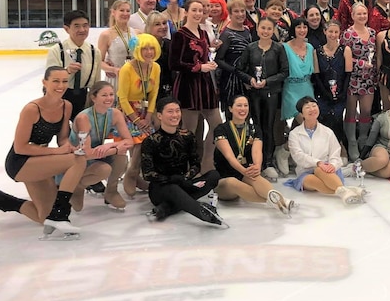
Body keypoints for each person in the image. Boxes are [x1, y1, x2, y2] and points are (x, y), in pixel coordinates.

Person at [0, 67, 86, 234]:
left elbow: (62, 138)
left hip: (41, 161)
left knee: (43, 218)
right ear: (45, 82)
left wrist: (70, 147)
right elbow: (21, 147)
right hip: (20, 162)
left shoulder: (66, 106)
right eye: (55, 81)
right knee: (78, 161)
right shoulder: (32, 109)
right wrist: (57, 152)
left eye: (64, 81)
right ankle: (60, 213)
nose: (61, 85)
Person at [140, 97, 225, 227]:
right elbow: (148, 174)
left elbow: (196, 164)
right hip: (161, 188)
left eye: (177, 111)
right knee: (173, 188)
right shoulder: (151, 141)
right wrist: (173, 179)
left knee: (213, 176)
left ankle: (166, 209)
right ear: (159, 115)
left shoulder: (187, 136)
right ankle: (203, 212)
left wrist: (185, 179)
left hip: (183, 184)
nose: (175, 115)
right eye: (170, 111)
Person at [213, 94, 294, 216]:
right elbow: (229, 156)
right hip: (225, 181)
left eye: (245, 105)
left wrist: (256, 166)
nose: (243, 109)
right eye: (239, 105)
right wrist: (244, 171)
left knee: (255, 177)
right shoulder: (221, 129)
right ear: (230, 108)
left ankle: (279, 201)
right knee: (232, 182)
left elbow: (257, 151)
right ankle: (280, 201)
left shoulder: (254, 129)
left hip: (246, 174)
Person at [169, 0, 221, 174]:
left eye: (200, 10)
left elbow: (204, 58)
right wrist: (199, 67)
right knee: (188, 131)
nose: (198, 13)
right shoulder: (180, 35)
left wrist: (208, 65)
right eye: (195, 10)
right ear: (186, 12)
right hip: (188, 86)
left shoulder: (204, 33)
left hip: (205, 85)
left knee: (217, 126)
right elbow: (174, 63)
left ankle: (207, 161)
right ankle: (185, 167)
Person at [235, 17, 289, 182]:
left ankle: (268, 161)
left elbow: (285, 71)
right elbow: (239, 69)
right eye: (262, 28)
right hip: (254, 94)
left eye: (269, 29)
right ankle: (255, 159)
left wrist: (267, 81)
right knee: (255, 127)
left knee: (269, 127)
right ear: (257, 29)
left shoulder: (278, 48)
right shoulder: (250, 48)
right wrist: (250, 80)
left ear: (273, 30)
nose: (265, 31)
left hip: (271, 93)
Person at [285, 97, 364, 205]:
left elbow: (335, 152)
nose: (312, 109)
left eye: (314, 106)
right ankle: (348, 190)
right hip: (305, 171)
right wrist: (317, 163)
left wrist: (333, 165)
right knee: (310, 179)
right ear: (302, 114)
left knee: (320, 170)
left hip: (327, 170)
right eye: (307, 107)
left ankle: (343, 191)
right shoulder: (294, 134)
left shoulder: (327, 132)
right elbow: (298, 156)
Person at [71, 81, 134, 210]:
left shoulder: (115, 113)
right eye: (104, 95)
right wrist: (116, 149)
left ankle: (111, 191)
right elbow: (86, 154)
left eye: (111, 94)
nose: (109, 98)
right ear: (94, 98)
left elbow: (129, 141)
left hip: (97, 153)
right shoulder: (84, 118)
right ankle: (77, 186)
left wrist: (110, 146)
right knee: (105, 168)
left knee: (122, 157)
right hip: (78, 158)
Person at [117, 33, 161, 198]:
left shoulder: (155, 67)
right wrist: (136, 119)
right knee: (138, 142)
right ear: (137, 50)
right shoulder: (127, 69)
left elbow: (154, 93)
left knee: (143, 142)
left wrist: (149, 115)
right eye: (144, 49)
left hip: (146, 110)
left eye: (151, 48)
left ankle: (135, 174)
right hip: (128, 110)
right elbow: (122, 97)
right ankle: (132, 173)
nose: (149, 52)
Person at [347, 85, 390, 179]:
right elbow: (370, 140)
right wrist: (362, 156)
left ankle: (365, 169)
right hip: (382, 148)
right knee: (382, 160)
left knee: (388, 171)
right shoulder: (382, 117)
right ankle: (356, 167)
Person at [46, 10, 101, 118]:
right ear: (66, 29)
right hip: (60, 96)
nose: (82, 30)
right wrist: (66, 72)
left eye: (85, 26)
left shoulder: (94, 52)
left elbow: (96, 82)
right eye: (76, 26)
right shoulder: (57, 50)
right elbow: (50, 80)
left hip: (84, 98)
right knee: (63, 131)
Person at [341, 3, 377, 160]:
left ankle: (363, 139)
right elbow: (343, 55)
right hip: (353, 78)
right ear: (353, 15)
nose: (362, 16)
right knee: (350, 111)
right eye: (359, 14)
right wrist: (361, 63)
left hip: (368, 78)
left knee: (366, 111)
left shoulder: (372, 33)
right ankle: (352, 142)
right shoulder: (348, 34)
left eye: (364, 13)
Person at [313, 20, 352, 150]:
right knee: (323, 120)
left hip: (340, 92)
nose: (333, 34)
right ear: (325, 32)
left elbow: (348, 74)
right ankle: (323, 149)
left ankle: (340, 147)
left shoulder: (345, 50)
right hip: (323, 92)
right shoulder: (317, 52)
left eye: (336, 32)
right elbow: (317, 75)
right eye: (330, 31)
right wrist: (324, 93)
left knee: (337, 119)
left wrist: (342, 93)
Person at [215, 0, 253, 114]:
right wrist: (236, 72)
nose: (240, 14)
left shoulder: (247, 30)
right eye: (236, 11)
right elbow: (219, 60)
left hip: (246, 78)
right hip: (231, 80)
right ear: (230, 14)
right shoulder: (226, 34)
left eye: (242, 11)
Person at [282, 17, 318, 126]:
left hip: (307, 88)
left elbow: (315, 70)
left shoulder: (310, 47)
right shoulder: (284, 47)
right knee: (303, 120)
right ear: (293, 29)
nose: (302, 30)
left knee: (310, 121)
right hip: (291, 89)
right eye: (299, 27)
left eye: (305, 27)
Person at [98, 0, 138, 91]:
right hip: (116, 78)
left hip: (134, 77)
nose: (125, 13)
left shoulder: (137, 33)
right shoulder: (106, 35)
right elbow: (99, 61)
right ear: (113, 12)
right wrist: (113, 69)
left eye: (128, 11)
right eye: (122, 10)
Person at [145, 11, 173, 99]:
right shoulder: (144, 46)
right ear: (149, 27)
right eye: (157, 24)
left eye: (164, 23)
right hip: (148, 92)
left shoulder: (169, 44)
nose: (163, 27)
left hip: (167, 91)